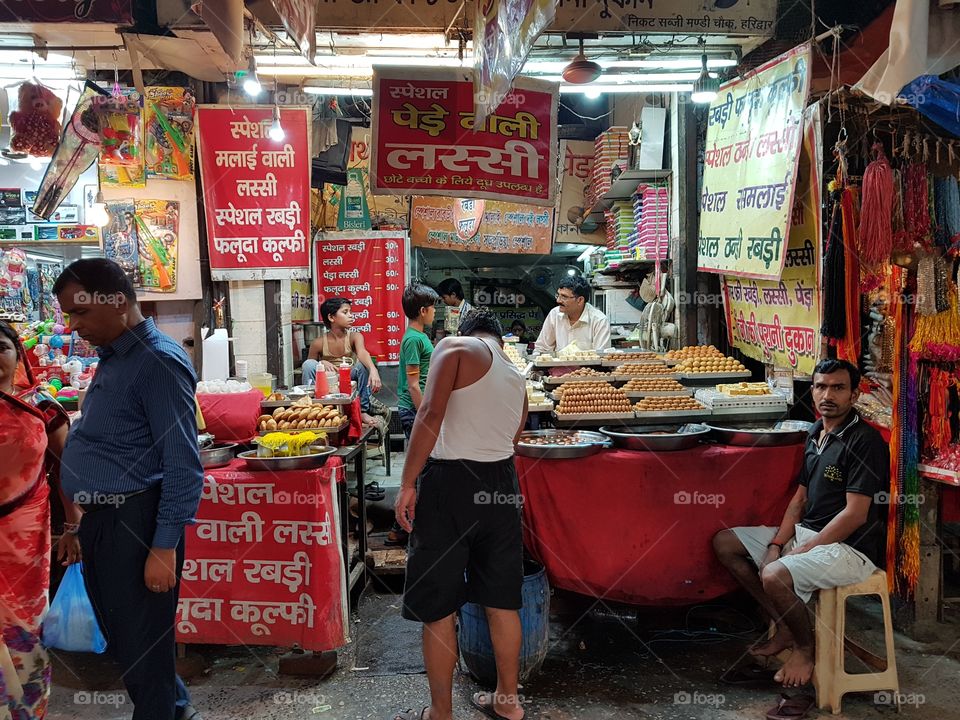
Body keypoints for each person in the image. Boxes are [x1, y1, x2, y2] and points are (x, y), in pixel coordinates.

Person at [54, 259, 204, 720]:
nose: (74, 326)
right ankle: (177, 711)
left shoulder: (157, 361)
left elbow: (183, 464)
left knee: (144, 653)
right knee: (128, 644)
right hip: (106, 522)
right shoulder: (116, 357)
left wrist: (163, 548)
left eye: (79, 312)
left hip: (135, 525)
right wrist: (77, 523)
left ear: (116, 301)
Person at [713, 358, 888, 689]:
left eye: (838, 388)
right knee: (726, 543)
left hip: (849, 548)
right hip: (811, 536)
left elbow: (855, 515)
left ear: (854, 395)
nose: (828, 395)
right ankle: (785, 626)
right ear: (812, 390)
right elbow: (799, 500)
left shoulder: (865, 441)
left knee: (775, 574)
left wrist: (802, 550)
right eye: (821, 386)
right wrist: (778, 544)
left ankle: (805, 650)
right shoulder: (815, 432)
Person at [393, 308, 528, 720]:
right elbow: (515, 435)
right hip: (502, 486)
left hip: (451, 485)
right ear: (500, 339)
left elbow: (430, 413)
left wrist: (407, 482)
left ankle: (441, 712)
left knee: (439, 605)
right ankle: (508, 702)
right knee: (502, 600)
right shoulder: (517, 378)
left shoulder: (453, 346)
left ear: (469, 331)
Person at [0, 321, 78, 720]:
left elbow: (66, 469)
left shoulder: (42, 405)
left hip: (26, 537)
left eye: (1, 348)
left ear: (17, 354)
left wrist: (73, 524)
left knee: (25, 630)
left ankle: (26, 712)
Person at [389, 283, 439, 546]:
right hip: (413, 410)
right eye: (432, 309)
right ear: (422, 311)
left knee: (420, 467)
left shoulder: (416, 337)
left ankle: (405, 526)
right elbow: (412, 384)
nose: (435, 313)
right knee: (419, 468)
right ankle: (403, 527)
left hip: (416, 409)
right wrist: (425, 416)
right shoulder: (413, 339)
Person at [301, 297, 389, 427]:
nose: (351, 316)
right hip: (328, 384)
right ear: (331, 317)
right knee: (308, 364)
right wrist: (321, 363)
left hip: (348, 380)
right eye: (345, 312)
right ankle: (311, 407)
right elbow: (310, 365)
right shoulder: (318, 343)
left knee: (362, 366)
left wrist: (373, 369)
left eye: (350, 312)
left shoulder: (355, 337)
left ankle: (363, 411)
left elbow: (362, 353)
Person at [534, 276, 611, 354]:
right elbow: (542, 348)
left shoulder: (599, 321)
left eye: (564, 297)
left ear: (580, 300)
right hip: (558, 365)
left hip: (588, 366)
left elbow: (601, 356)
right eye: (558, 295)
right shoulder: (554, 314)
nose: (558, 300)